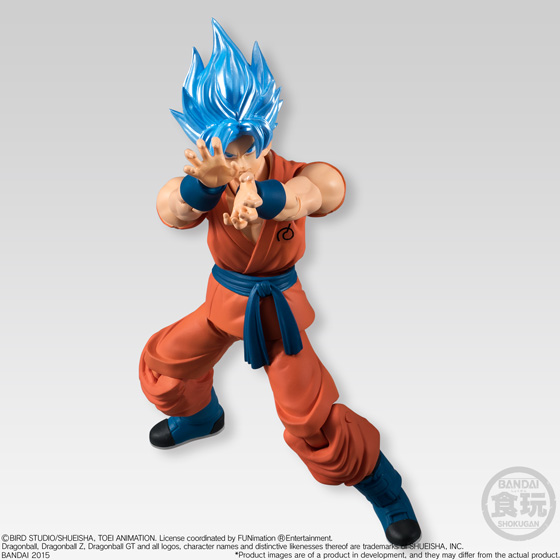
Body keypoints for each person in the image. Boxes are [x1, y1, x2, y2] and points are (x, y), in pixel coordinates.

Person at [140, 19, 421, 547]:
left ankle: (384, 490)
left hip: (278, 317)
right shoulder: (207, 179)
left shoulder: (302, 172)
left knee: (309, 418)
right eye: (221, 148)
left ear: (265, 130)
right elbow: (171, 209)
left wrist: (268, 198)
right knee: (164, 364)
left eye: (245, 144)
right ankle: (201, 418)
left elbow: (318, 193)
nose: (235, 160)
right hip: (223, 304)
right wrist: (204, 189)